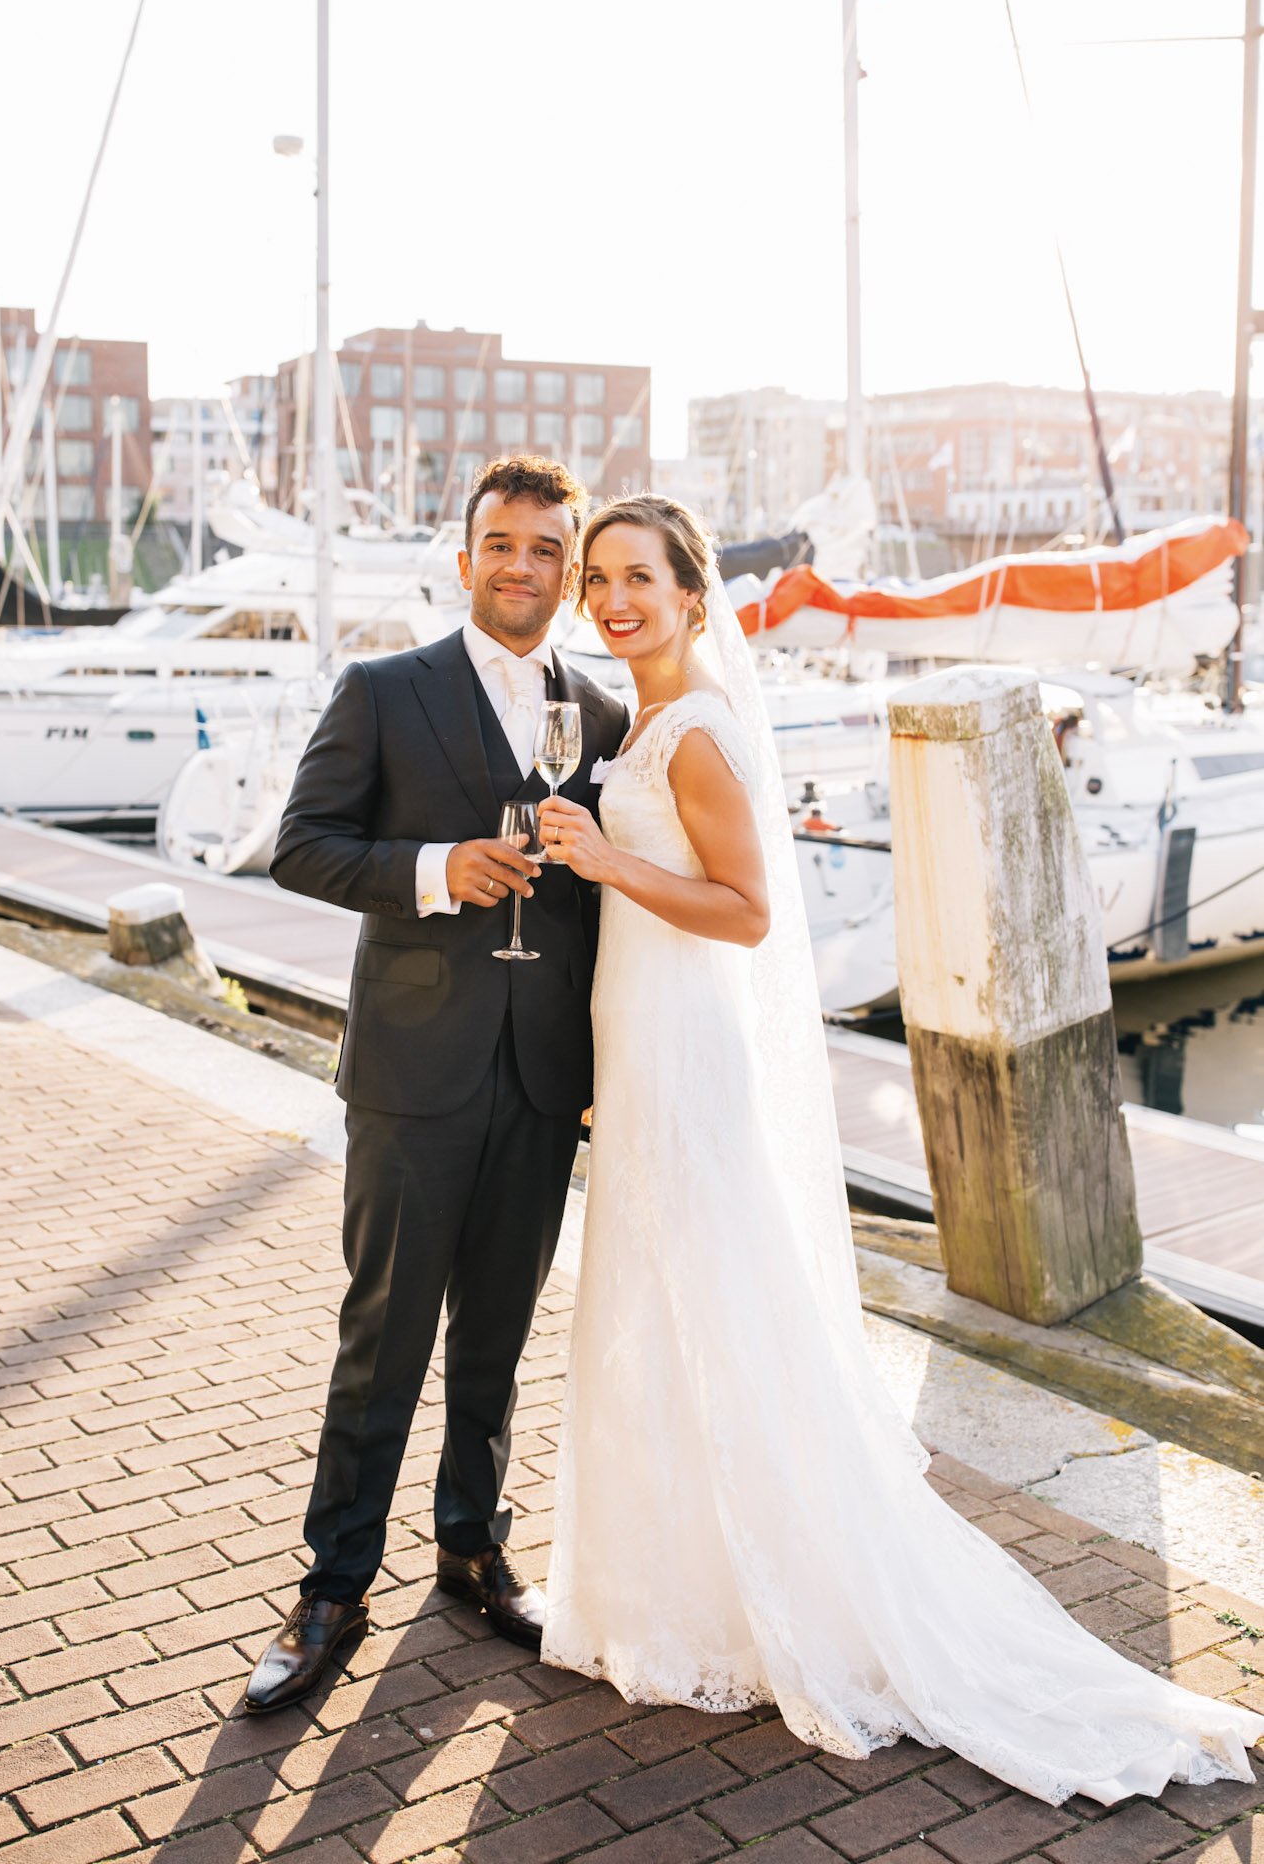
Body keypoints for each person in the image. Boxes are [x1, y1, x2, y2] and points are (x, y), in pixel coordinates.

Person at [535, 492, 1262, 1806]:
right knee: (658, 1305)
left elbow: (749, 913)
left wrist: (601, 862)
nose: (611, 597)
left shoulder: (694, 731)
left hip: (689, 1051)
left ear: (694, 595)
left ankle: (761, 1596)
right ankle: (663, 1587)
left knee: (717, 1307)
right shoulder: (642, 716)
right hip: (640, 1049)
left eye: (635, 575)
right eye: (599, 578)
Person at [243, 456, 628, 1715]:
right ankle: (332, 1583)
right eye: (500, 544)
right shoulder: (384, 690)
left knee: (499, 1338)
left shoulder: (607, 716)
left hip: (539, 1077)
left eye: (546, 549)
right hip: (413, 1074)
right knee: (383, 1337)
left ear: (571, 570)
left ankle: (471, 1544)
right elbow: (301, 844)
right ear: (463, 558)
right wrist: (427, 868)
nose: (522, 566)